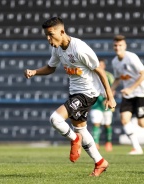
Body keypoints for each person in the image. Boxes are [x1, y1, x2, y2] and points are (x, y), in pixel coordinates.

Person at [24, 17, 116, 176]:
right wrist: (35, 72)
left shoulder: (79, 49)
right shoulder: (57, 48)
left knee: (55, 119)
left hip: (87, 93)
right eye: (46, 35)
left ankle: (74, 140)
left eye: (50, 34)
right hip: (75, 93)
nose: (48, 38)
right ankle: (100, 162)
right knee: (81, 129)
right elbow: (50, 68)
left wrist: (110, 96)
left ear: (62, 31)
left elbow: (100, 71)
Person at [111, 35, 144, 155]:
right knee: (124, 119)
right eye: (115, 45)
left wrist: (131, 88)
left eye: (120, 45)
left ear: (125, 46)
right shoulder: (115, 62)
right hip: (128, 95)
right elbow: (117, 79)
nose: (117, 47)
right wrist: (110, 91)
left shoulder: (131, 58)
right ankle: (137, 148)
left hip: (141, 93)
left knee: (142, 124)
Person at [90, 58, 115, 152]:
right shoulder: (92, 76)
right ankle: (96, 143)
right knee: (96, 123)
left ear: (104, 66)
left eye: (101, 65)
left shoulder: (109, 76)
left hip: (106, 103)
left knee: (107, 124)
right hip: (96, 104)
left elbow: (113, 89)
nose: (100, 67)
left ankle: (108, 142)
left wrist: (108, 98)